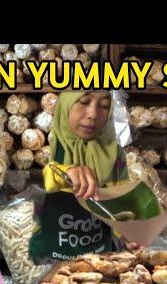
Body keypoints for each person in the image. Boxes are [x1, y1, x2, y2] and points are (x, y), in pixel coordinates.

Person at [28, 91, 132, 261]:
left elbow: (118, 203)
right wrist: (64, 172)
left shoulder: (114, 154)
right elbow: (43, 179)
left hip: (98, 256)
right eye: (84, 102)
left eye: (104, 106)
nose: (93, 115)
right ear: (66, 105)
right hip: (49, 258)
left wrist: (126, 233)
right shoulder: (42, 147)